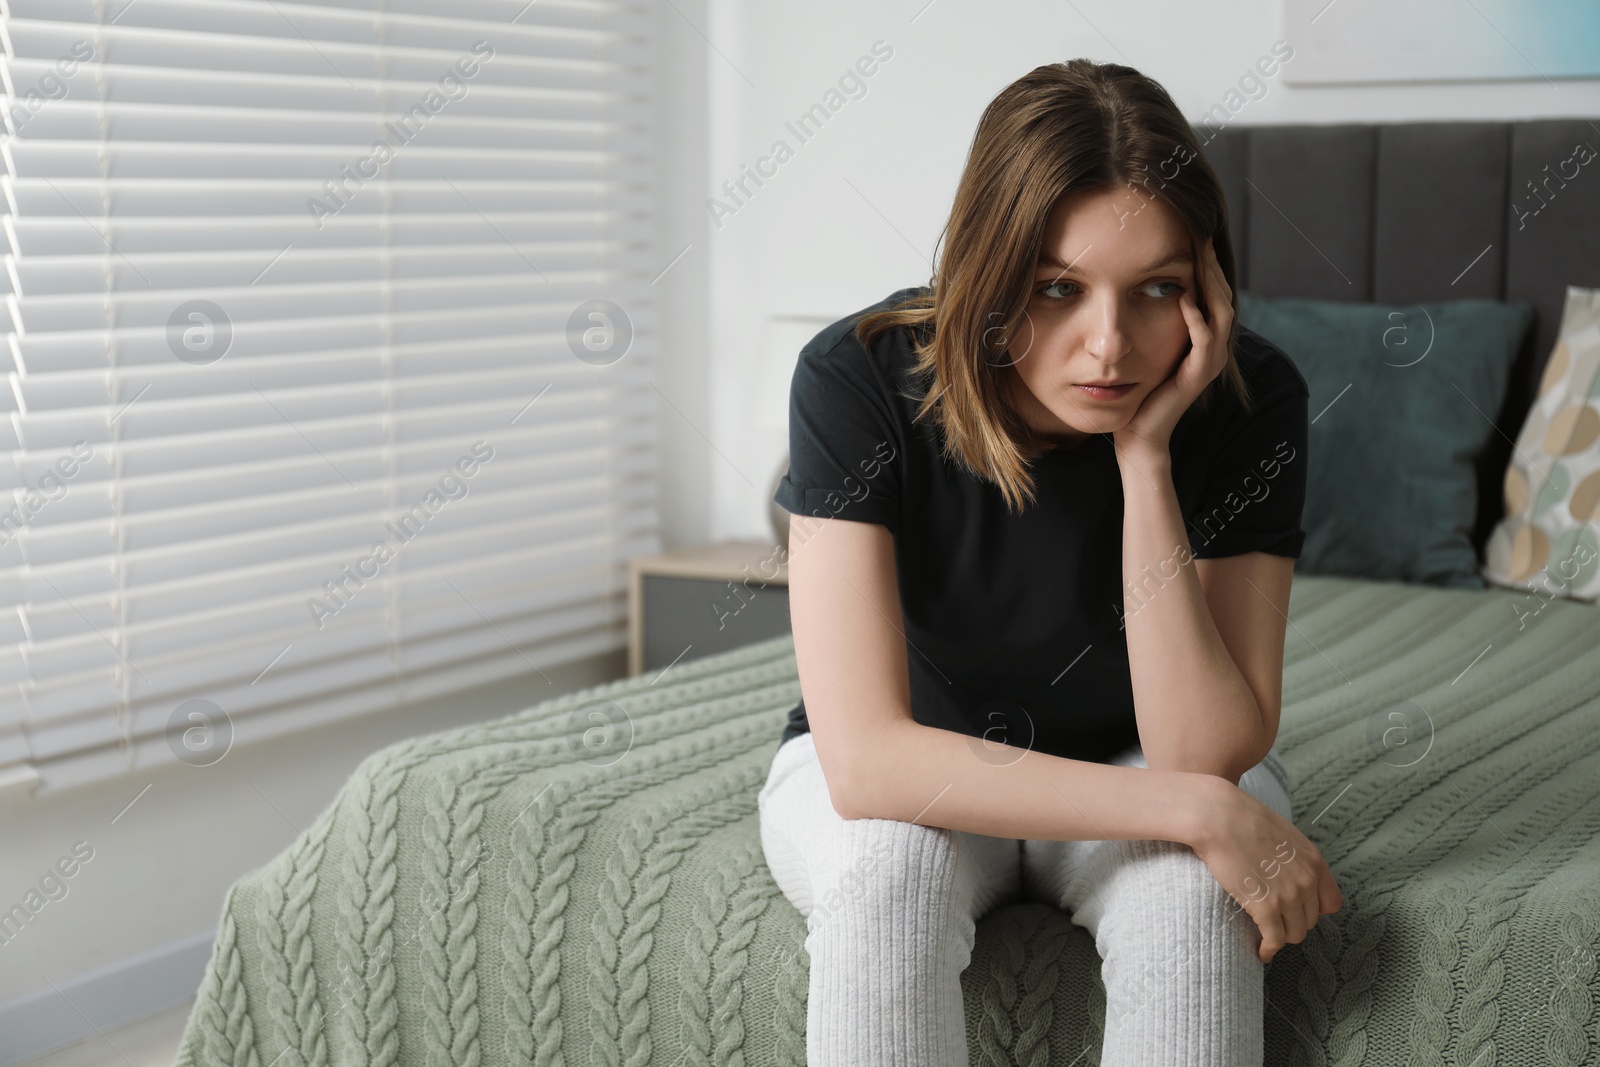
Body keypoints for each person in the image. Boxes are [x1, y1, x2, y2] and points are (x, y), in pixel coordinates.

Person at [757, 57, 1344, 1067]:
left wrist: (1147, 464)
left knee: (1194, 894)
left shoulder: (1253, 399)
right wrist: (1199, 809)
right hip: (918, 766)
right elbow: (865, 763)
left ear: (1204, 285)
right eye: (1056, 289)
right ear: (988, 273)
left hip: (1139, 756)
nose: (1108, 345)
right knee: (885, 876)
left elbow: (1197, 750)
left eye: (1156, 288)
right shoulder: (855, 376)